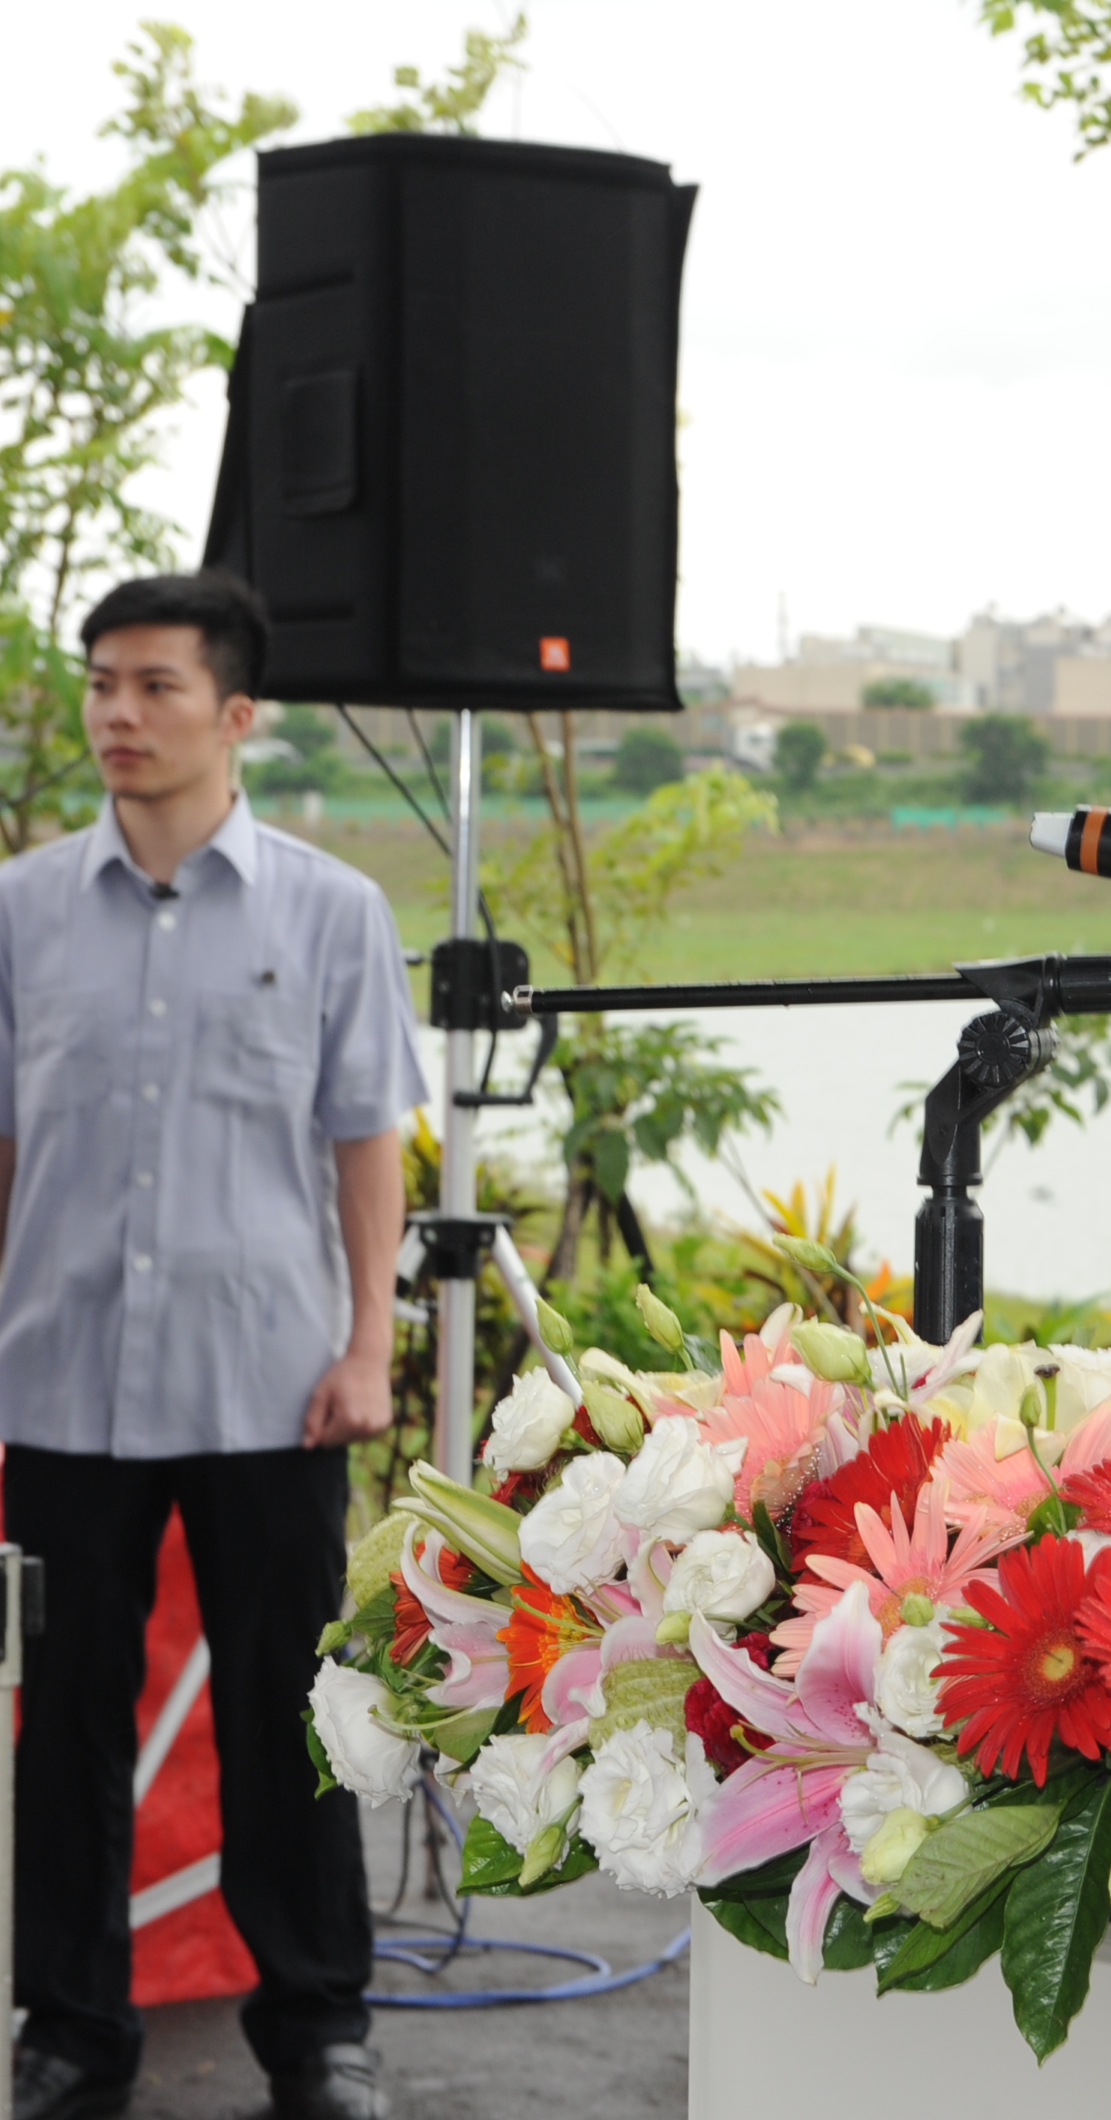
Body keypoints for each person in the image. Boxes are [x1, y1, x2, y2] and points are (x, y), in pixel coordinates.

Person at [0, 572, 424, 2120]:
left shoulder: (331, 909)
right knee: (62, 1732)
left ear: (237, 715)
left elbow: (366, 1147)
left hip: (271, 1386)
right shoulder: (22, 906)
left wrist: (370, 1344)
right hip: (57, 1381)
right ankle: (69, 2030)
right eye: (101, 683)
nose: (118, 713)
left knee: (284, 1721)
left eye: (155, 687)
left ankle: (318, 2031)